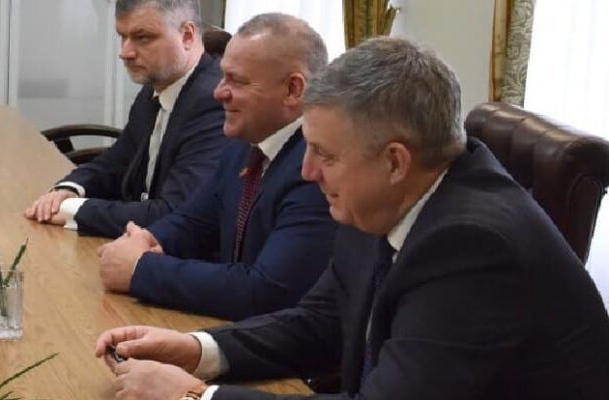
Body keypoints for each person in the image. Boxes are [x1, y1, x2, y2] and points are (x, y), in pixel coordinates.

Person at [93, 37, 609, 400]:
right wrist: (196, 350)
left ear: (394, 161)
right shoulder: (388, 198)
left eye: (325, 154)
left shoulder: (473, 247)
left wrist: (194, 397)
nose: (307, 171)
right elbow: (321, 322)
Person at [96, 13, 337, 321]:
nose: (218, 91)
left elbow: (267, 292)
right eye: (223, 76)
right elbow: (194, 221)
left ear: (293, 90)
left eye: (236, 81)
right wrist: (148, 239)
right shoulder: (245, 142)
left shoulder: (318, 167)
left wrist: (141, 269)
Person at [24, 0, 226, 238]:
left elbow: (173, 214)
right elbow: (116, 161)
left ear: (187, 35)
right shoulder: (155, 88)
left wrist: (75, 211)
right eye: (123, 37)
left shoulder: (214, 101)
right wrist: (69, 189)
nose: (125, 53)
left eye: (142, 38)